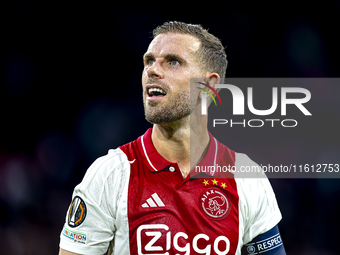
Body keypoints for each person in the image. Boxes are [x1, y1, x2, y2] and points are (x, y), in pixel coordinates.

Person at [59, 21, 286, 255]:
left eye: (173, 61)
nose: (152, 70)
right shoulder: (110, 175)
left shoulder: (245, 177)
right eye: (149, 61)